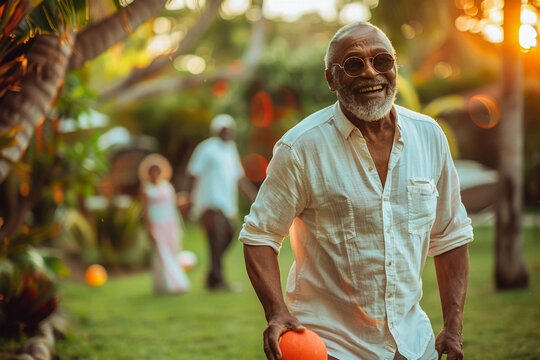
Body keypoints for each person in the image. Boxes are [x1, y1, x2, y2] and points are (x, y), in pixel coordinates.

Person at [239, 21, 473, 360]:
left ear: (395, 66)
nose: (370, 72)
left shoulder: (429, 136)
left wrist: (453, 327)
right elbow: (259, 236)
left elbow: (450, 237)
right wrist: (277, 312)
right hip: (330, 347)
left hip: (413, 345)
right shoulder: (300, 148)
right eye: (353, 64)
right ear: (331, 79)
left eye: (381, 61)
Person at [185, 114, 257, 290]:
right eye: (224, 130)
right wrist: (190, 199)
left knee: (230, 234)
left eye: (230, 130)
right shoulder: (206, 148)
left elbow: (239, 178)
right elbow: (193, 173)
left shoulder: (231, 149)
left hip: (227, 204)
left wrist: (255, 197)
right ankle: (218, 281)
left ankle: (212, 275)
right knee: (216, 239)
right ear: (216, 131)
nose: (228, 133)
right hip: (210, 202)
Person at [139, 153, 190, 294]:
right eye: (152, 171)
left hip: (170, 222)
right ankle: (168, 283)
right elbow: (145, 211)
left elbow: (173, 204)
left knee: (173, 249)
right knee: (161, 252)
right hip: (157, 224)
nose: (155, 173)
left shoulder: (167, 186)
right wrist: (149, 228)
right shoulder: (146, 189)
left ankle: (173, 282)